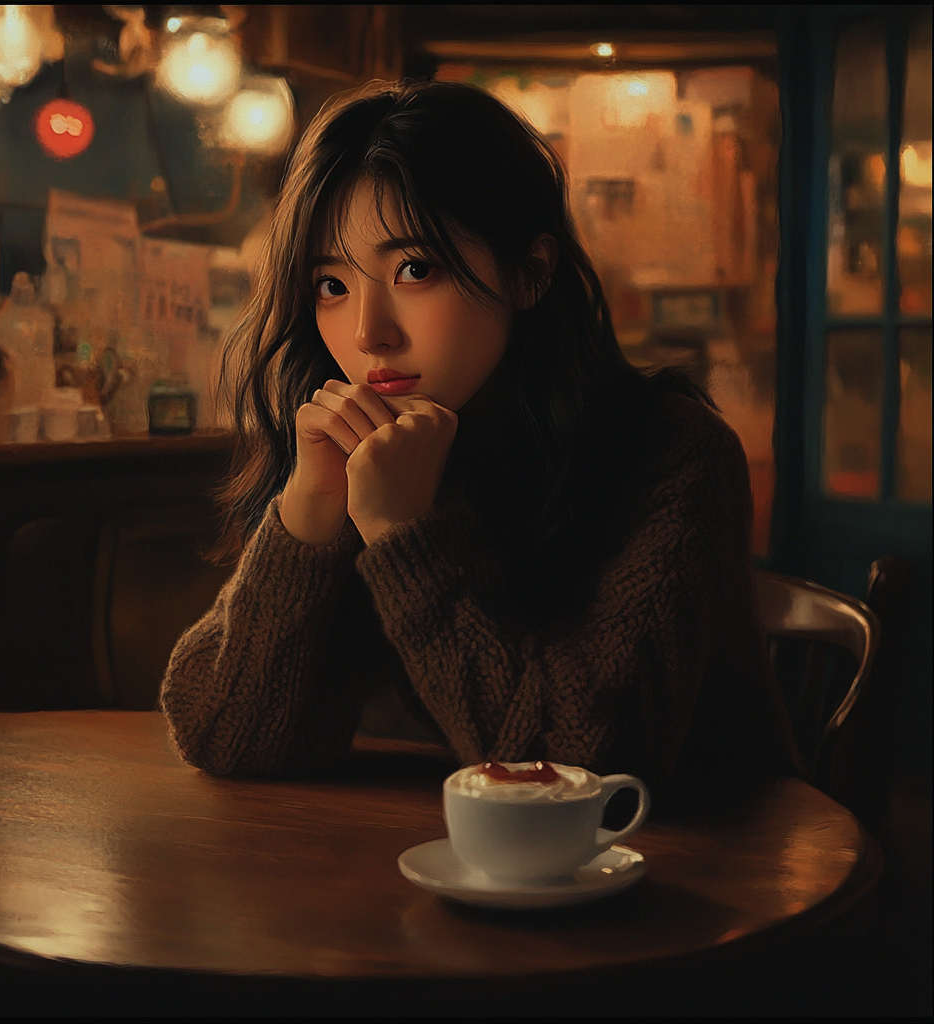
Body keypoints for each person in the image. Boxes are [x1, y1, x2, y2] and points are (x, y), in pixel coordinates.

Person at [160, 80, 798, 807]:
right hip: (455, 879)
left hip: (700, 884)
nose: (368, 332)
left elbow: (581, 770)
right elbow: (227, 739)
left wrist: (405, 534)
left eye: (415, 270)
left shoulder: (674, 453)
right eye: (331, 284)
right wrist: (306, 517)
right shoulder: (374, 448)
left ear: (530, 272)